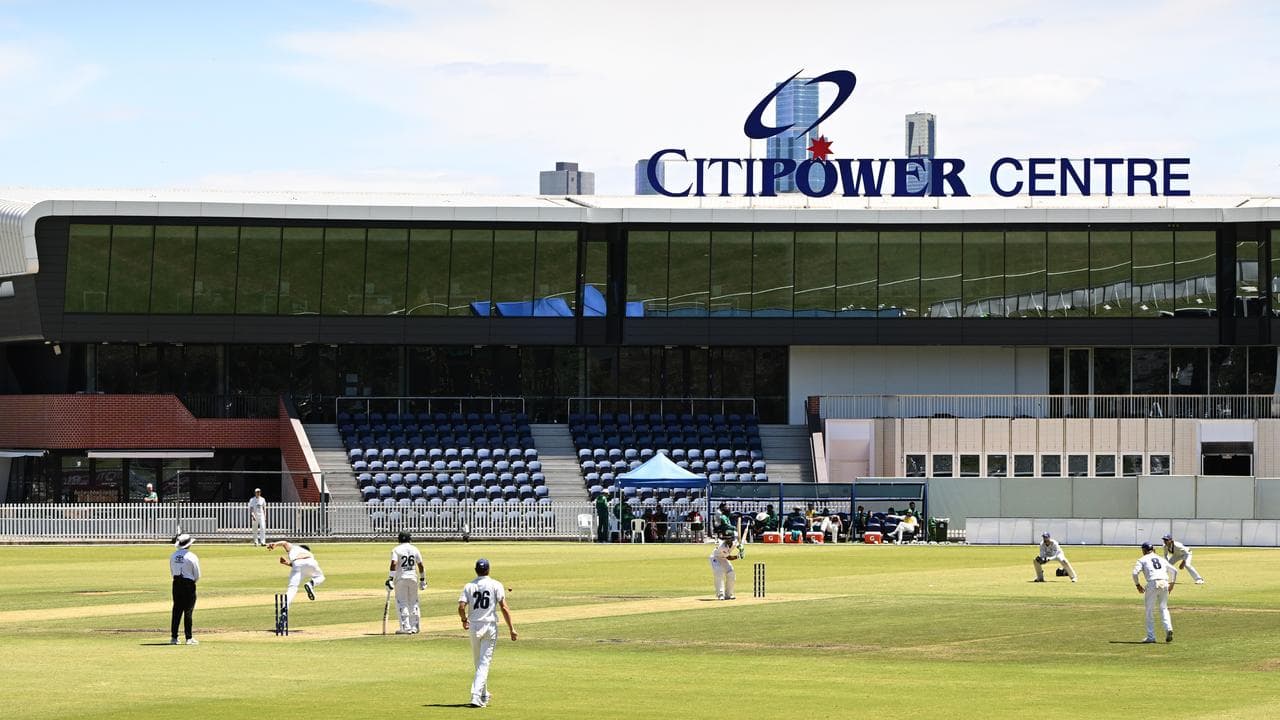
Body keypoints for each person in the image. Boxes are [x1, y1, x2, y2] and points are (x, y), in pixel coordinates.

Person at [458, 558, 518, 708]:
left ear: (476, 570)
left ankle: (483, 693)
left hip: (474, 626)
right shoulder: (496, 584)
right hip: (489, 626)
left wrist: (464, 619)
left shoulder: (469, 585)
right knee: (484, 663)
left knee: (478, 662)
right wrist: (511, 628)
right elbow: (504, 607)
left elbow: (461, 606)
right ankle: (476, 696)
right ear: (488, 570)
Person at [1133, 541, 1177, 643]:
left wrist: (1137, 585)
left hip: (1153, 583)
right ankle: (1168, 628)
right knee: (1164, 608)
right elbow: (1174, 571)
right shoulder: (1161, 559)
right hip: (1165, 582)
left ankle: (1151, 637)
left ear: (1144, 550)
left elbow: (1135, 573)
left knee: (1149, 611)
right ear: (1153, 550)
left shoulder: (1142, 559)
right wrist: (1172, 584)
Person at [387, 530, 426, 634]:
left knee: (402, 602)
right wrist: (423, 580)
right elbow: (421, 565)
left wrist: (390, 578)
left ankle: (405, 627)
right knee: (414, 602)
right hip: (413, 577)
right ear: (410, 539)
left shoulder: (396, 549)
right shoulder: (414, 549)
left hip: (401, 578)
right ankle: (415, 626)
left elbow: (394, 563)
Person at [268, 540, 325, 610]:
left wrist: (275, 544)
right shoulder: (309, 553)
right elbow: (304, 564)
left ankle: (285, 605)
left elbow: (284, 543)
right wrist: (286, 563)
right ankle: (310, 584)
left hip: (297, 564)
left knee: (292, 587)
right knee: (320, 577)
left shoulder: (294, 548)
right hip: (311, 562)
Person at [168, 533, 201, 645]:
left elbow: (172, 571)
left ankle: (174, 637)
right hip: (188, 584)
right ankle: (189, 638)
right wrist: (191, 582)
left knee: (176, 610)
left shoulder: (173, 556)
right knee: (188, 611)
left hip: (176, 583)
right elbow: (197, 574)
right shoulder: (192, 556)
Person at [709, 529, 740, 600]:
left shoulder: (734, 541)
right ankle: (720, 594)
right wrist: (738, 556)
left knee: (731, 573)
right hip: (715, 558)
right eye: (726, 538)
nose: (727, 540)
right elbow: (729, 557)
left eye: (729, 538)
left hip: (723, 558)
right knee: (719, 572)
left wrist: (740, 548)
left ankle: (729, 594)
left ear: (732, 538)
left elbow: (737, 544)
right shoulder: (722, 546)